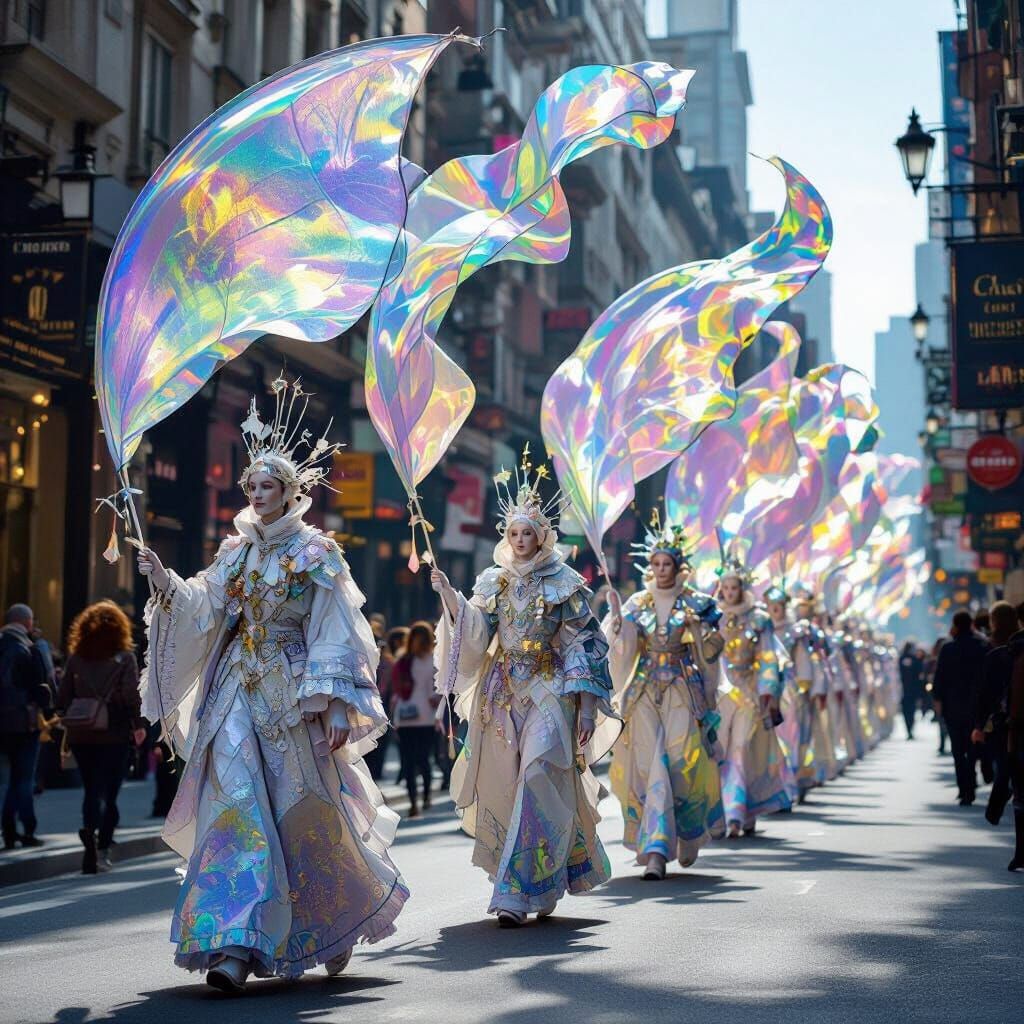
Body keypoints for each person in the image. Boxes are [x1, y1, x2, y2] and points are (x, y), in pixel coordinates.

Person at [136, 378, 406, 992]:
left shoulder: (316, 553)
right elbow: (203, 607)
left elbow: (336, 628)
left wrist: (335, 701)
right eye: (252, 486)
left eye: (269, 487)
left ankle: (331, 919)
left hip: (290, 695)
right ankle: (233, 942)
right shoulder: (234, 551)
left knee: (298, 811)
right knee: (235, 806)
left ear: (290, 493)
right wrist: (165, 581)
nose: (258, 496)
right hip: (234, 689)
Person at [430, 451, 614, 927]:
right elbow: (475, 631)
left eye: (527, 533)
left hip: (550, 691)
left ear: (542, 537)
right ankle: (536, 877)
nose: (519, 541)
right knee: (508, 787)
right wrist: (451, 598)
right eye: (512, 533)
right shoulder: (493, 581)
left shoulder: (564, 583)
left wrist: (589, 707)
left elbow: (584, 644)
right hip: (502, 691)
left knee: (537, 775)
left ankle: (517, 889)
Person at [602, 519, 725, 878]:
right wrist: (615, 620)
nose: (660, 570)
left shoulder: (698, 604)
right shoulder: (636, 602)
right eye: (654, 564)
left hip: (683, 689)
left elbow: (715, 651)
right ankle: (654, 846)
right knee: (648, 763)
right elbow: (623, 650)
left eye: (666, 564)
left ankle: (686, 834)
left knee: (681, 762)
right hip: (643, 691)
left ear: (678, 566)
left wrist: (700, 632)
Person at [58, 601, 145, 873]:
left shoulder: (75, 658)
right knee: (110, 794)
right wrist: (138, 724)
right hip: (114, 733)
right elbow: (132, 695)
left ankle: (88, 833)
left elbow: (63, 697)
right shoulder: (124, 657)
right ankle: (103, 849)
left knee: (91, 789)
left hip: (82, 733)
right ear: (120, 628)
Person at [714, 554, 790, 836]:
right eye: (726, 588)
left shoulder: (759, 619)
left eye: (734, 588)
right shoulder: (711, 615)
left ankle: (738, 811)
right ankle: (725, 810)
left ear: (742, 588)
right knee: (719, 751)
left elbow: (770, 658)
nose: (730, 593)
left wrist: (767, 692)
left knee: (742, 748)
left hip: (748, 691)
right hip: (719, 694)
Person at [0, 604, 51, 849]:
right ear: (27, 622)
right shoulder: (29, 649)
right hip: (22, 723)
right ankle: (25, 828)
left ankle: (8, 830)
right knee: (23, 779)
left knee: (8, 779)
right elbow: (41, 689)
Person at [971, 602, 1022, 827]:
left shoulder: (995, 653)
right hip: (1008, 718)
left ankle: (998, 804)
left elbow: (985, 693)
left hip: (1005, 720)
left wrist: (980, 725)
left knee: (1005, 763)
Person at [932, 610, 990, 806]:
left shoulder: (947, 649)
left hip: (952, 706)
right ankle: (971, 780)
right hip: (976, 705)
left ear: (955, 626)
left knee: (957, 749)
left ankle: (964, 788)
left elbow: (939, 678)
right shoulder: (982, 646)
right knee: (973, 746)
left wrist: (937, 703)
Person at [391, 622, 439, 817]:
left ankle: (413, 803)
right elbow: (434, 690)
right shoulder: (433, 660)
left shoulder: (403, 659)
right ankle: (426, 795)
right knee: (424, 759)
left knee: (408, 760)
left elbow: (396, 687)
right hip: (426, 715)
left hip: (405, 715)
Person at [364, 626, 406, 782]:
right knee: (375, 741)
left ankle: (375, 771)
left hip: (380, 706)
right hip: (375, 706)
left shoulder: (387, 663)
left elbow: (389, 687)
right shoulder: (368, 661)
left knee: (379, 740)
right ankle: (373, 772)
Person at [899, 640, 925, 740]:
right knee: (911, 710)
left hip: (907, 690)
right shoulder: (913, 659)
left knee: (907, 710)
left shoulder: (903, 659)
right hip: (910, 689)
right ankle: (909, 729)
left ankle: (909, 729)